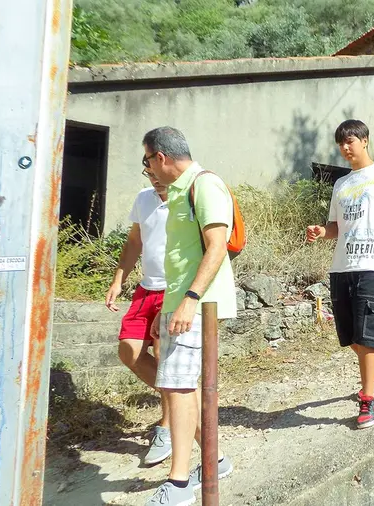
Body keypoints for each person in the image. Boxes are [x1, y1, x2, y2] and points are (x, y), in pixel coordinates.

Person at [142, 126, 236, 506]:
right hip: (180, 303)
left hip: (198, 304)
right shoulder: (178, 191)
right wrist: (168, 307)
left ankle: (178, 484)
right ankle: (214, 461)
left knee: (179, 388)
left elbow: (216, 247)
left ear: (161, 157)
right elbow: (182, 259)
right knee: (180, 387)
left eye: (147, 160)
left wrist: (190, 299)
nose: (147, 168)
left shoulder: (205, 184)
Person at [305, 119, 374, 430]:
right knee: (350, 336)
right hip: (341, 267)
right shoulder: (341, 184)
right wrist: (321, 231)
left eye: (350, 140)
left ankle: (368, 398)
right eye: (340, 143)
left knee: (368, 334)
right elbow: (336, 228)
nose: (345, 147)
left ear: (364, 140)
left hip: (372, 266)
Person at [104, 172, 171, 466]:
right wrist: (119, 279)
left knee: (163, 354)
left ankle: (167, 427)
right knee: (128, 350)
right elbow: (134, 241)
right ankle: (183, 397)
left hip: (174, 288)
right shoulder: (144, 198)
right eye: (149, 173)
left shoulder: (189, 199)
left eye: (159, 172)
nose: (154, 179)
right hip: (147, 288)